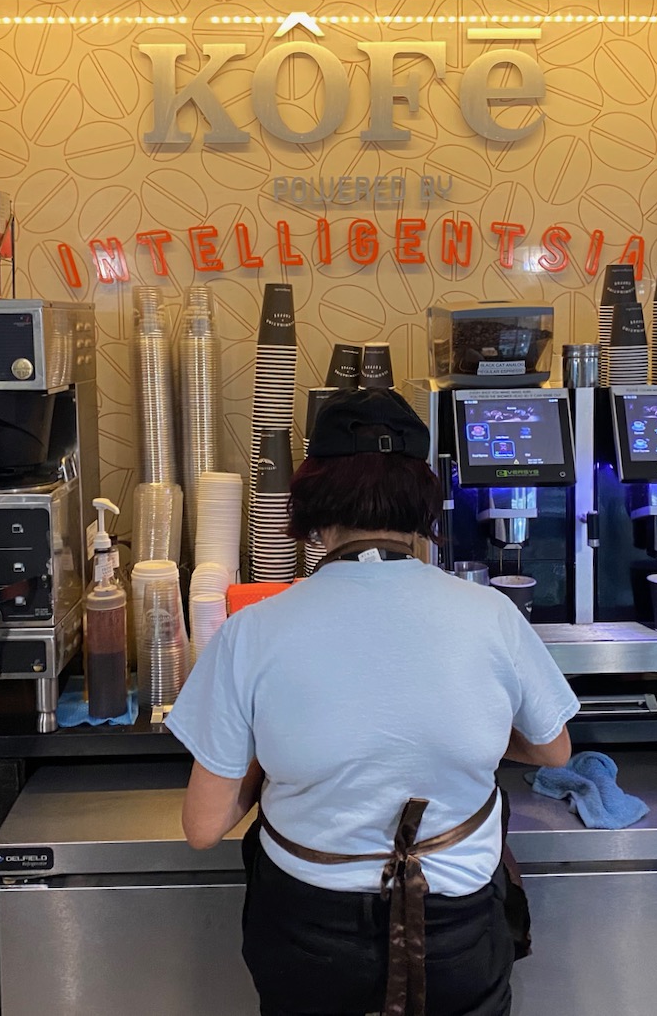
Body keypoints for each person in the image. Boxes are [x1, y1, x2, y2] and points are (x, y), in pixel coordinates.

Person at [167, 388, 578, 1016]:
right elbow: (554, 751)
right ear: (422, 500)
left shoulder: (254, 630)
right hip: (460, 930)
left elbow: (203, 828)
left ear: (311, 504)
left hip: (309, 934)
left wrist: (276, 755)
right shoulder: (491, 614)